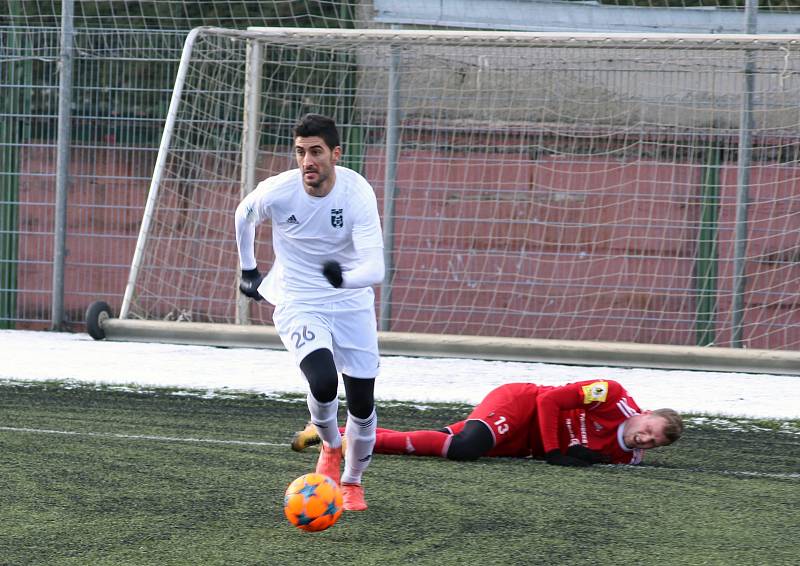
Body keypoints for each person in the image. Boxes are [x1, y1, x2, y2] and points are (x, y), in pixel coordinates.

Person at [235, 113, 385, 510]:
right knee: (322, 382)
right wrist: (249, 269)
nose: (307, 162)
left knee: (363, 402)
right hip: (300, 302)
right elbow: (243, 215)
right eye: (300, 152)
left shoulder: (357, 194)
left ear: (336, 154)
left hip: (351, 305)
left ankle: (352, 483)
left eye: (316, 152)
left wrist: (345, 279)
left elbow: (376, 268)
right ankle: (331, 447)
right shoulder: (279, 191)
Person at [292, 379, 683, 466]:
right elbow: (548, 400)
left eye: (655, 443)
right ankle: (337, 434)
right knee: (466, 449)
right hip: (520, 404)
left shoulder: (627, 457)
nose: (646, 439)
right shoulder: (611, 395)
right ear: (645, 414)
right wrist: (552, 452)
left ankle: (337, 435)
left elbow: (593, 455)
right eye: (650, 429)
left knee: (441, 440)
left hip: (523, 443)